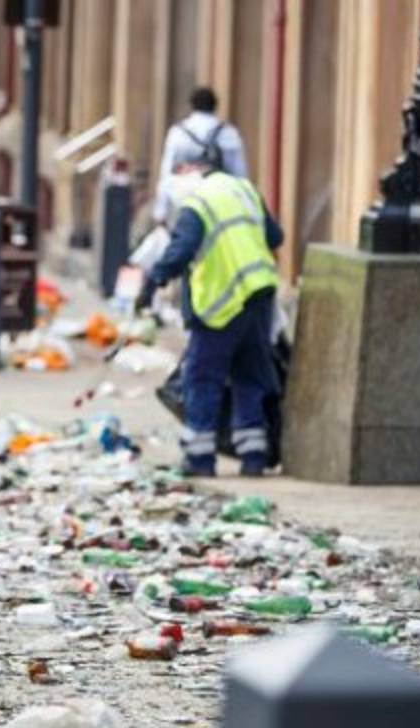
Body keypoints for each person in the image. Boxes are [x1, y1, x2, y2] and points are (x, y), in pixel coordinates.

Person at [135, 145, 283, 478]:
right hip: (260, 295)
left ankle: (200, 459)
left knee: (202, 378)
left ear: (188, 169)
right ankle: (254, 456)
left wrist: (152, 283)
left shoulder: (197, 203)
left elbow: (180, 250)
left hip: (221, 303)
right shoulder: (245, 189)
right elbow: (276, 235)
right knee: (250, 375)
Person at [152, 87, 248, 226]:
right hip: (218, 202)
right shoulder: (228, 134)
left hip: (184, 200)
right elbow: (240, 174)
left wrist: (161, 211)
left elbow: (166, 173)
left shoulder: (178, 133)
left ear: (192, 105)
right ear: (215, 106)